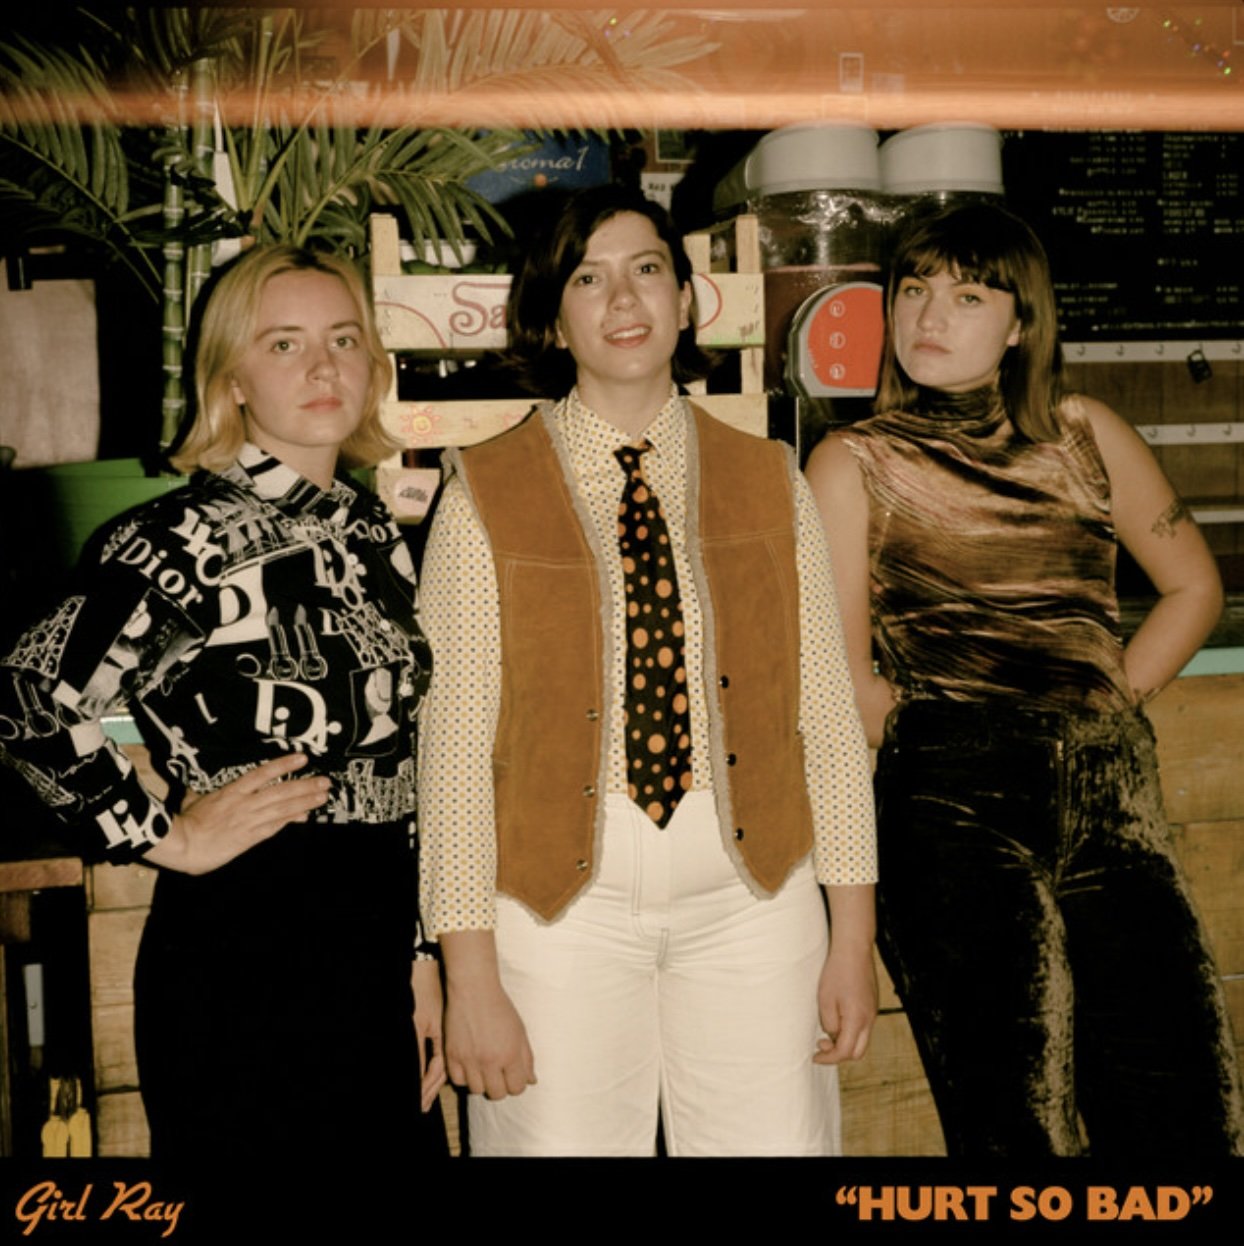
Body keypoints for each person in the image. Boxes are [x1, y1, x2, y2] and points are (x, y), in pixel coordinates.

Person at [417, 185, 878, 1157]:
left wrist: (852, 933)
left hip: (755, 902)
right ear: (552, 318)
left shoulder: (770, 477)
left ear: (685, 298)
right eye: (587, 279)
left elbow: (827, 722)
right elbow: (452, 756)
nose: (622, 300)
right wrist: (470, 975)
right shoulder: (482, 492)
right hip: (554, 915)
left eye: (646, 270)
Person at [806, 201, 1244, 1158]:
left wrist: (1104, 705)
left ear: (1021, 325)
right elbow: (841, 683)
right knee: (1017, 1134)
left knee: (1186, 1117)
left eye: (969, 296)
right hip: (954, 812)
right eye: (914, 289)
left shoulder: (1086, 432)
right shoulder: (853, 460)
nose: (930, 314)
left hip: (1114, 800)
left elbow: (1194, 587)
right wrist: (954, 741)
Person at [0, 245, 445, 1162]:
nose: (322, 367)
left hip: (373, 947)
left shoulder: (376, 536)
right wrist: (170, 837)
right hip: (245, 950)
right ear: (232, 380)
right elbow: (26, 693)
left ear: (373, 365)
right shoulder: (180, 538)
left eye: (343, 339)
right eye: (284, 344)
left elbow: (401, 769)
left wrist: (418, 958)